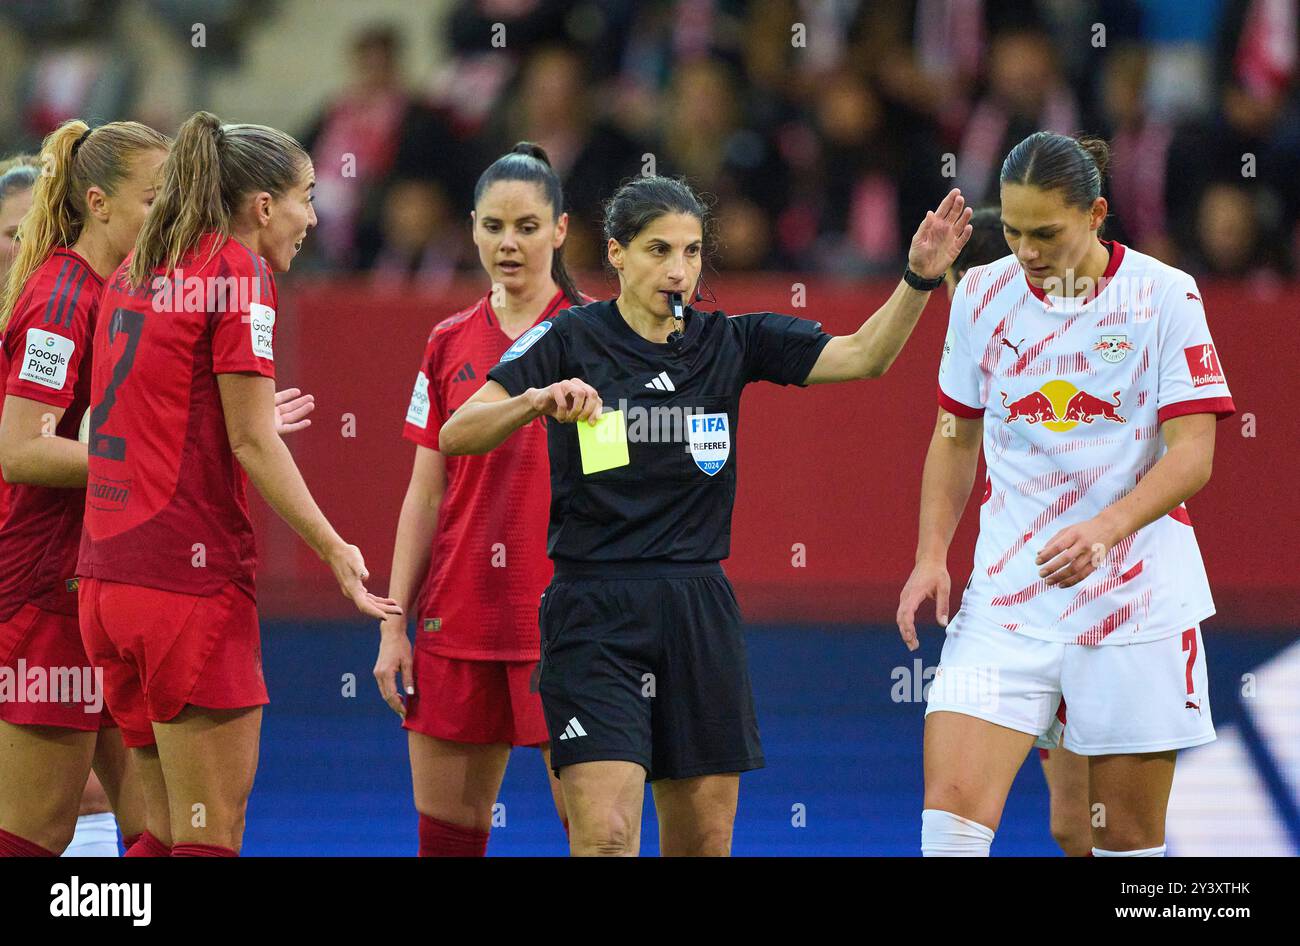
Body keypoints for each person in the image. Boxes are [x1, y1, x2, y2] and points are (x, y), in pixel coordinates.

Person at [439, 175, 971, 856]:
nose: (679, 270)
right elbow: (460, 429)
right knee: (604, 837)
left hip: (697, 613)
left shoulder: (730, 342)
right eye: (659, 250)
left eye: (691, 253)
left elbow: (865, 356)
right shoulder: (570, 338)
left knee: (704, 843)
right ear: (617, 254)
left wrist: (917, 280)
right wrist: (536, 400)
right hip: (593, 613)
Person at [897, 132, 1234, 857]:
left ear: (1096, 214)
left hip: (1132, 606)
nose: (1026, 252)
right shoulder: (982, 293)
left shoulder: (1164, 295)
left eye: (1045, 233)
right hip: (1007, 604)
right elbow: (955, 437)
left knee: (1116, 844)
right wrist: (931, 555)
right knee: (947, 834)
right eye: (1013, 233)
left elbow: (1194, 454)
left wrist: (1105, 529)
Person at [76, 110, 398, 858]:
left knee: (161, 830)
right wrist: (334, 546)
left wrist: (219, 429)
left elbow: (129, 416)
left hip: (107, 586)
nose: (314, 218)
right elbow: (252, 440)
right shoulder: (236, 271)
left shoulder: (141, 265)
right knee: (210, 835)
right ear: (261, 207)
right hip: (184, 585)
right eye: (306, 197)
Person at [375, 143, 586, 856]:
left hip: (563, 624)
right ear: (471, 229)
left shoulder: (600, 340)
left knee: (597, 836)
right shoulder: (446, 343)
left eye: (528, 226)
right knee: (446, 842)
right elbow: (424, 491)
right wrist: (393, 624)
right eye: (494, 226)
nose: (509, 243)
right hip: (455, 620)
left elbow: (613, 486)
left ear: (560, 230)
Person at [0, 121, 169, 858]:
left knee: (161, 821)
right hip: (44, 593)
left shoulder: (123, 291)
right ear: (98, 203)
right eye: (154, 200)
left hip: (98, 586)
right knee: (41, 830)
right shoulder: (62, 299)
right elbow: (20, 450)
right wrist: (142, 466)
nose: (167, 219)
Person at [943, 205, 1093, 857]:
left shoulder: (1076, 343)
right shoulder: (980, 356)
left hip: (1099, 607)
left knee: (1092, 827)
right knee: (1068, 823)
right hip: (1022, 608)